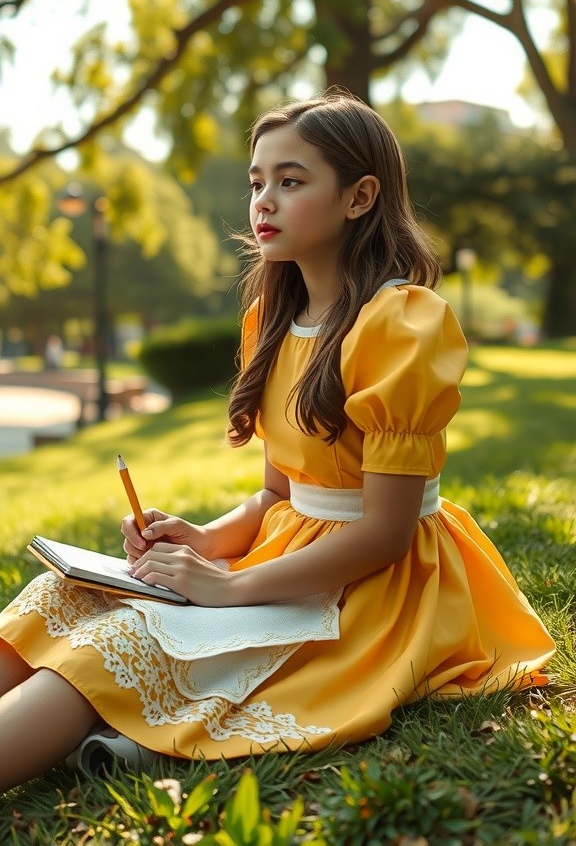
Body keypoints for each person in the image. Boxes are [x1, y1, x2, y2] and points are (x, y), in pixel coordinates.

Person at [0, 90, 555, 792]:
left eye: (291, 182)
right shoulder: (271, 318)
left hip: (370, 591)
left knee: (116, 647)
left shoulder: (401, 325)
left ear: (359, 197)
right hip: (282, 562)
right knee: (56, 599)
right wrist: (201, 543)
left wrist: (232, 589)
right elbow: (277, 495)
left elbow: (384, 534)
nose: (264, 200)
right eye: (257, 182)